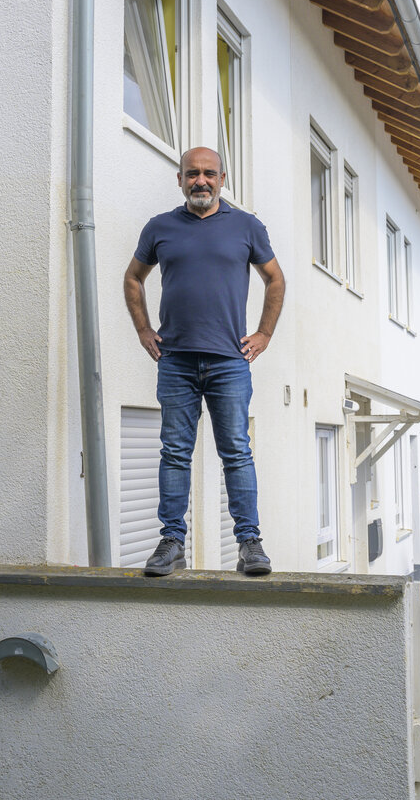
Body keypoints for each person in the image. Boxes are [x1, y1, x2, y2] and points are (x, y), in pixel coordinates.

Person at [123, 146, 285, 576]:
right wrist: (143, 329)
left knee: (235, 451)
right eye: (192, 173)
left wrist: (264, 334)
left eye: (209, 173)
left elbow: (275, 279)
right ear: (180, 179)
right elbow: (133, 277)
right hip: (175, 359)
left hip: (229, 361)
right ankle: (171, 541)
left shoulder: (247, 227)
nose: (201, 180)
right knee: (175, 452)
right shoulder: (160, 227)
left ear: (222, 179)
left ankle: (250, 543)